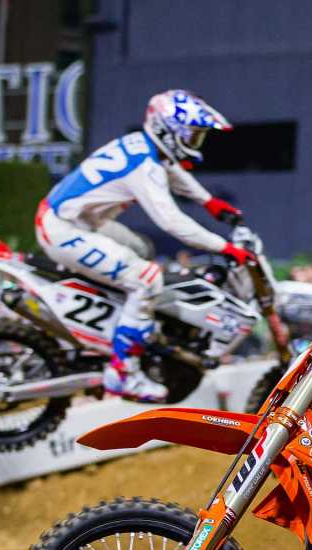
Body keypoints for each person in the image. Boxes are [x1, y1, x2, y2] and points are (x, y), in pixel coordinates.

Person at [34, 89, 255, 402]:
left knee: (140, 249)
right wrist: (224, 247)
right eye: (192, 135)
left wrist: (208, 201)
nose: (196, 142)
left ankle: (117, 329)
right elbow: (172, 221)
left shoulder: (141, 145)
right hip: (64, 228)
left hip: (74, 221)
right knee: (147, 278)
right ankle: (123, 371)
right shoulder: (145, 167)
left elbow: (172, 171)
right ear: (168, 130)